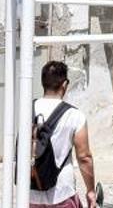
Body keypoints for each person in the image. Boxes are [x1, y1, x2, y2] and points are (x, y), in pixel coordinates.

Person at [32, 59, 97, 208]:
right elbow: (84, 157)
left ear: (43, 82)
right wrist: (90, 191)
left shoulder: (28, 109)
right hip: (62, 191)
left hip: (31, 191)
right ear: (65, 85)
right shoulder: (74, 115)